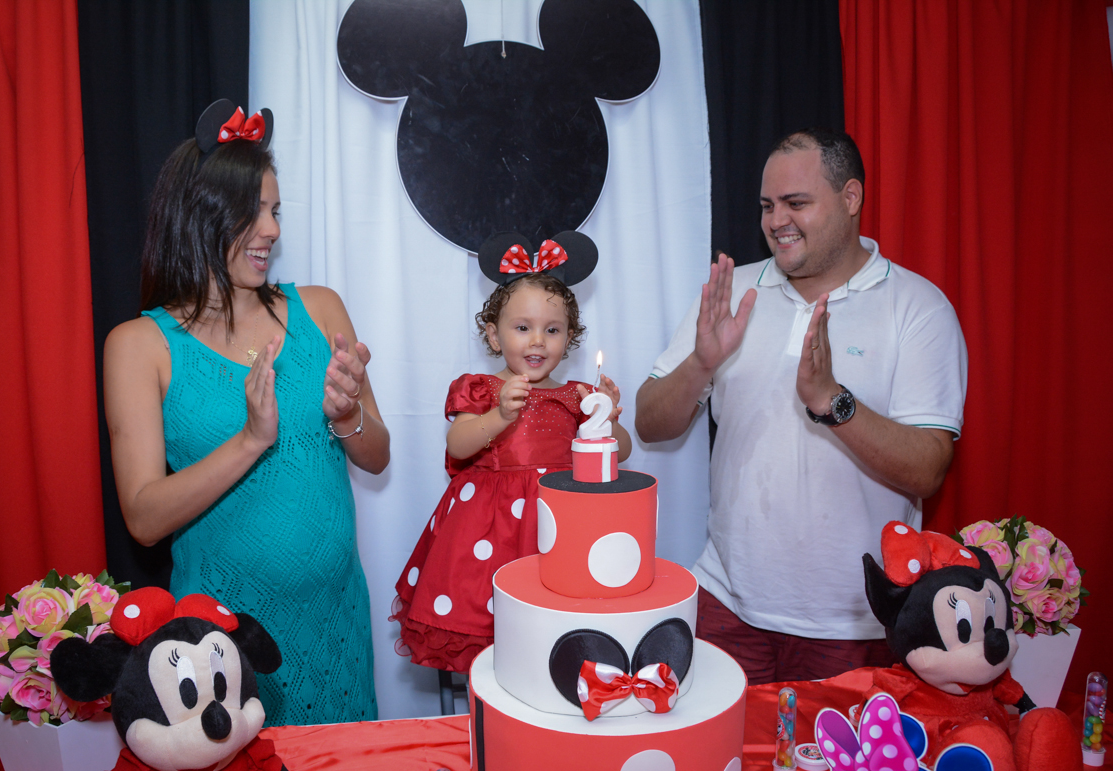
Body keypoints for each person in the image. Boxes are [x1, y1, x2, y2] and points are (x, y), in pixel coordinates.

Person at [635, 128, 967, 684]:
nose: (776, 220)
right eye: (768, 205)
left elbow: (929, 467)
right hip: (728, 604)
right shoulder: (734, 293)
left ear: (851, 198)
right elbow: (651, 423)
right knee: (717, 768)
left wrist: (833, 401)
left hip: (856, 622)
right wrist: (700, 363)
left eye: (796, 203)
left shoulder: (917, 307)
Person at [103, 101, 389, 725]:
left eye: (275, 210)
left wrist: (346, 418)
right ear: (198, 217)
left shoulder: (320, 308)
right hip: (223, 641)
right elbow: (144, 518)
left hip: (334, 619)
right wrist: (251, 439)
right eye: (252, 211)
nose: (273, 229)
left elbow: (378, 456)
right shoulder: (139, 346)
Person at [392, 266, 632, 675]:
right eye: (523, 327)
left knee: (553, 635)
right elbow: (457, 444)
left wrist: (605, 420)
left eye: (553, 330)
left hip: (558, 530)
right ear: (493, 334)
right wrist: (500, 413)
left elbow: (621, 453)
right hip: (489, 537)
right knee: (492, 642)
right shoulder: (482, 388)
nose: (538, 340)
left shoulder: (576, 396)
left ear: (569, 337)